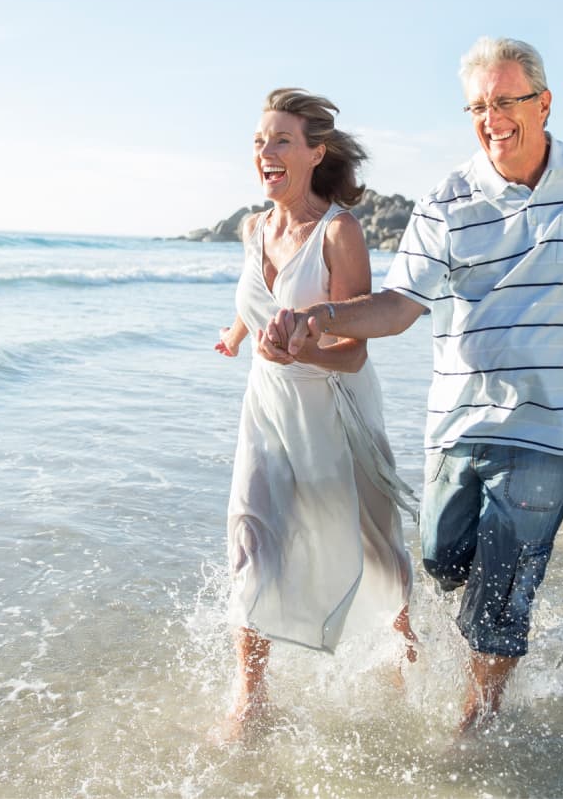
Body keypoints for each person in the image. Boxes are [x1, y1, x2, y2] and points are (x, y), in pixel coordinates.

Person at [264, 38, 563, 736]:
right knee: (441, 556)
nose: (492, 117)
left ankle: (479, 719)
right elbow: (400, 303)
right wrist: (323, 317)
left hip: (557, 425)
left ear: (543, 103)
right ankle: (493, 639)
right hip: (462, 420)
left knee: (504, 578)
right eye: (479, 105)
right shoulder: (447, 198)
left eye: (506, 101)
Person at [213, 88, 420, 741]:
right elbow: (257, 301)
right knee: (251, 539)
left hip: (336, 410)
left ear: (314, 152)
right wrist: (238, 334)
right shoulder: (254, 227)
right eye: (257, 143)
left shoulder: (339, 231)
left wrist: (307, 345)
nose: (265, 154)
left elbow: (355, 348)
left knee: (378, 547)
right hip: (268, 415)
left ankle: (405, 645)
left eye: (279, 141)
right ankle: (252, 698)